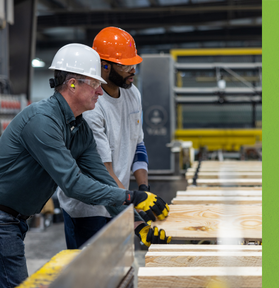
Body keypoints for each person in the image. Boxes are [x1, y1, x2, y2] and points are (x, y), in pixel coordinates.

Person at [0, 43, 169, 288]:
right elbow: (73, 184)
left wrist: (137, 224)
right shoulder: (42, 121)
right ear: (72, 83)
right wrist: (132, 195)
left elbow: (101, 177)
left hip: (15, 219)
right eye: (95, 84)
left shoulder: (79, 128)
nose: (100, 93)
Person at [57, 27, 160, 250]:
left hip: (120, 198)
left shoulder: (133, 93)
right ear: (103, 66)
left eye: (134, 64)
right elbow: (103, 172)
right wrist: (135, 207)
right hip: (88, 211)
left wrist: (144, 188)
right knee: (91, 279)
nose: (132, 70)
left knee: (120, 274)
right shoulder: (92, 106)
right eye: (124, 65)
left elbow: (138, 144)